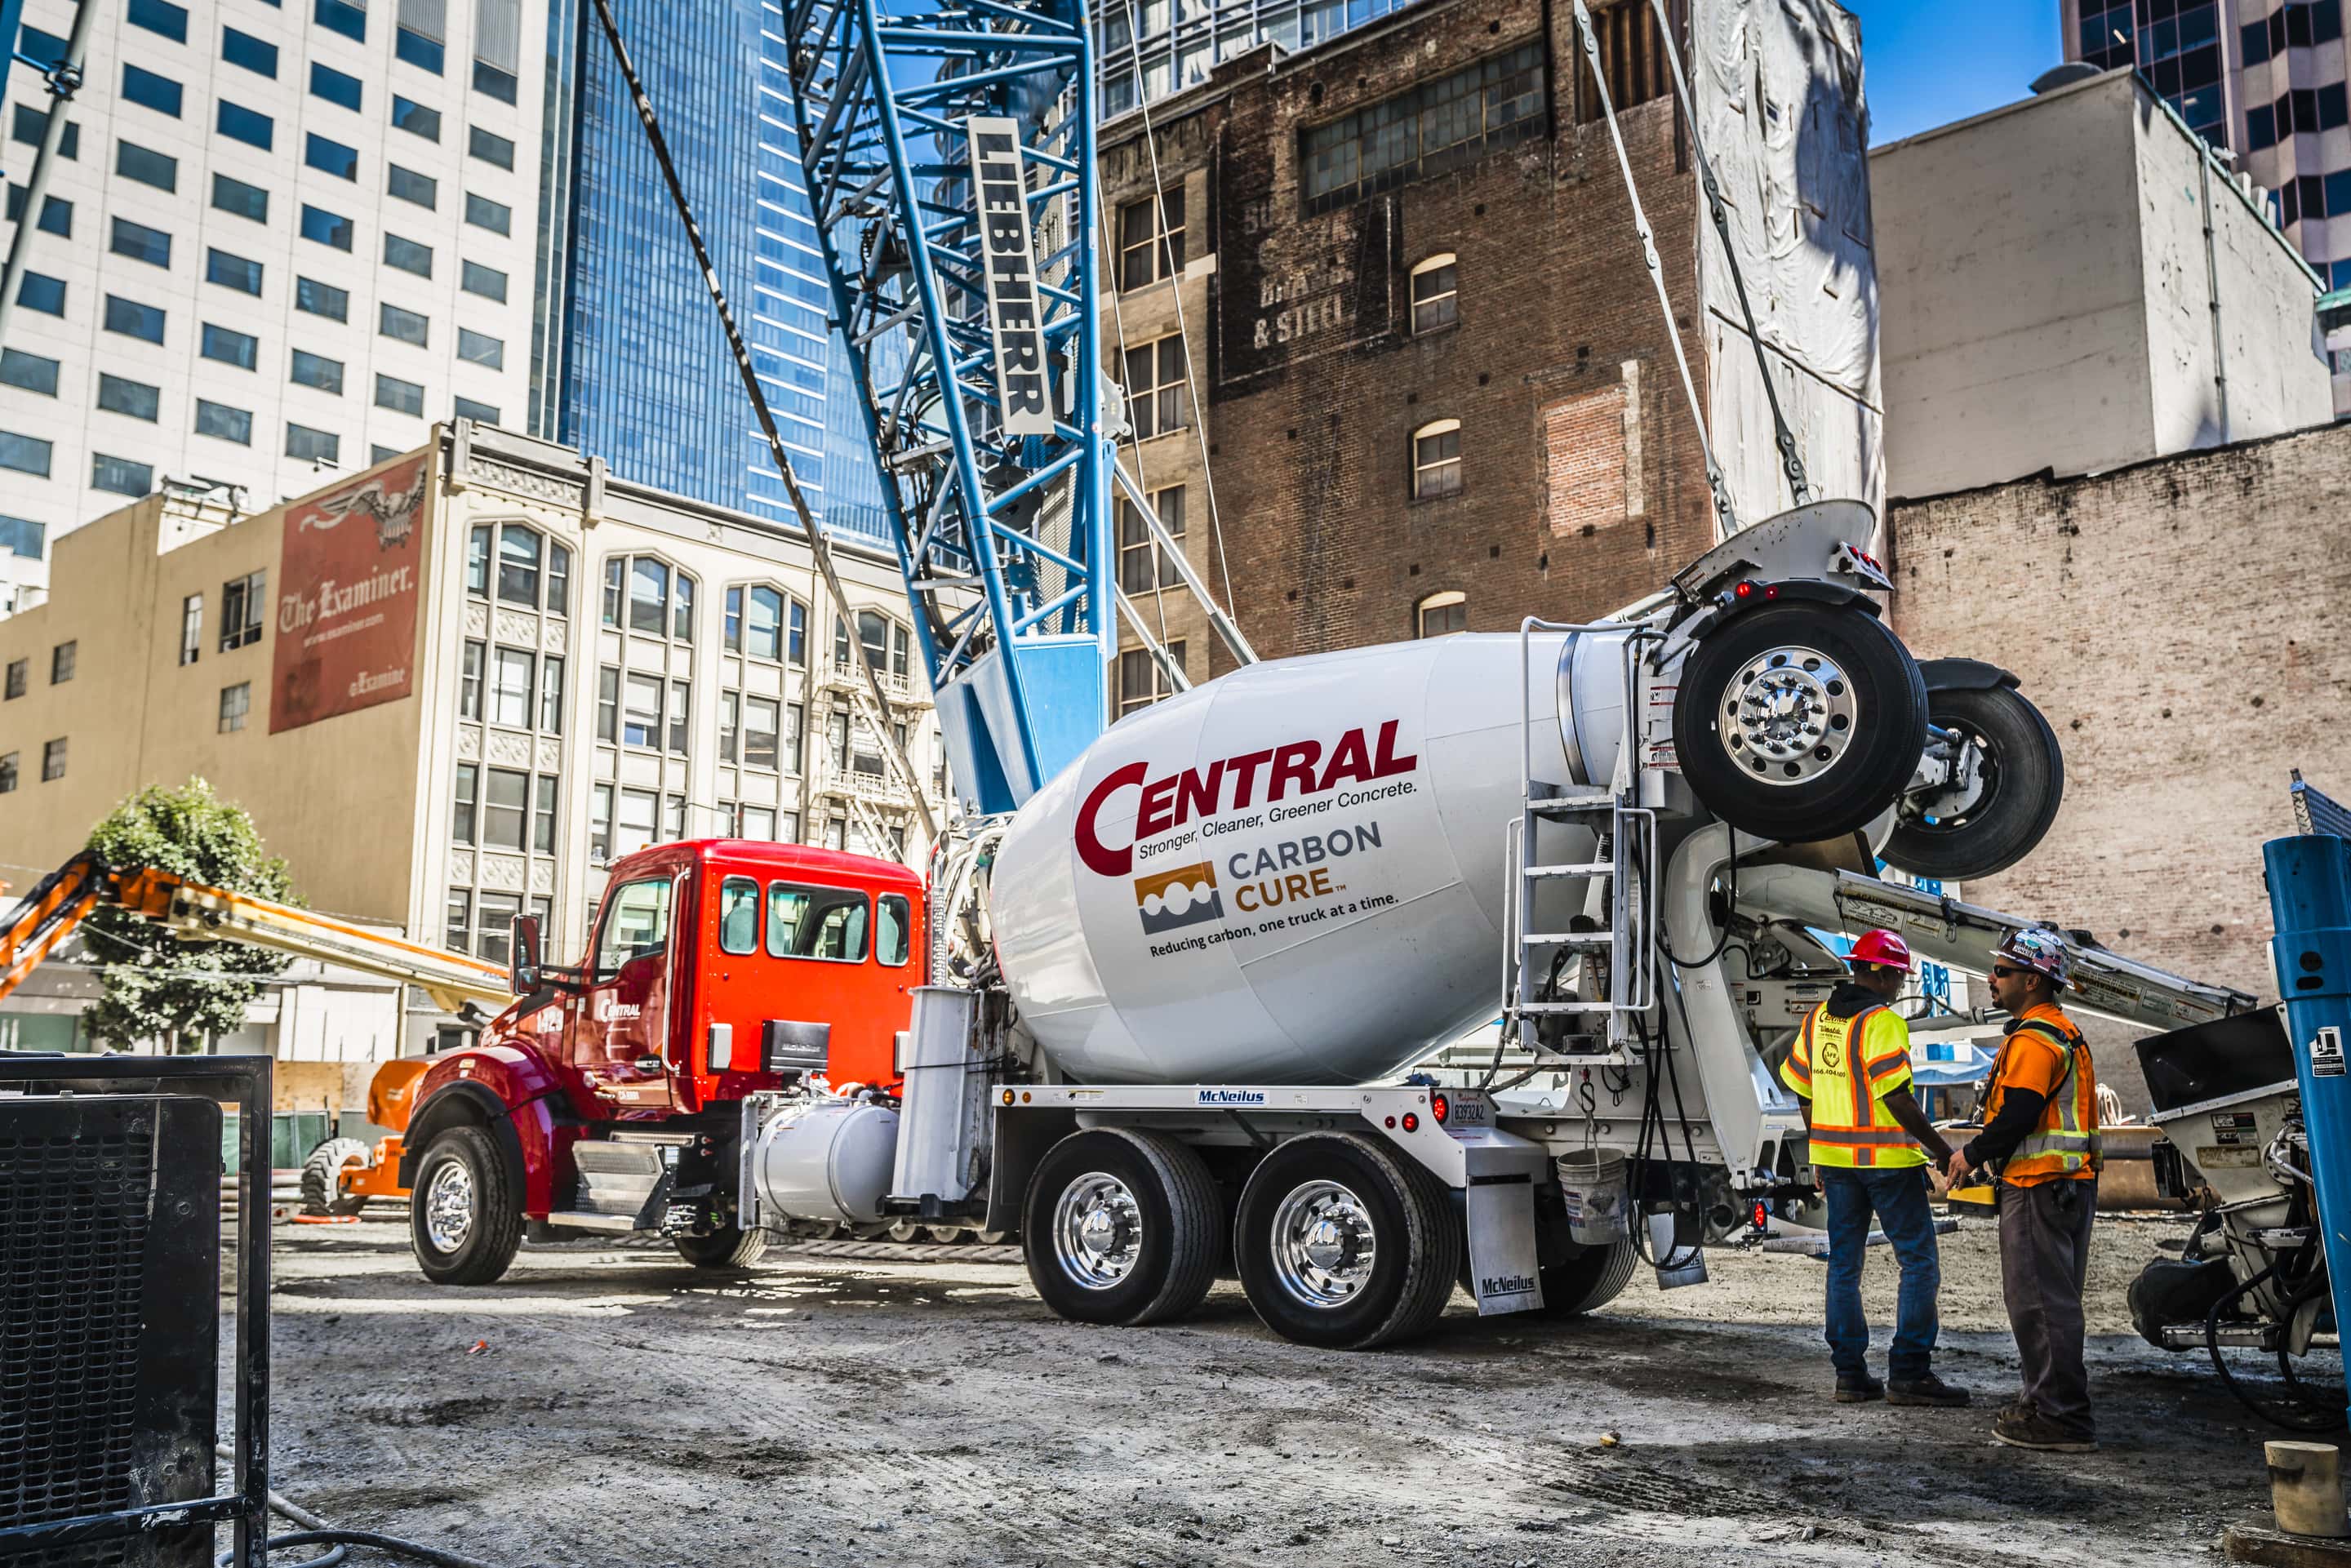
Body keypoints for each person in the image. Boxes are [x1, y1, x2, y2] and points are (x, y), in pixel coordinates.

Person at [1780, 928, 1968, 1408]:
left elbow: (1803, 1090)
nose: (1900, 987)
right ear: (1881, 975)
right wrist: (1943, 1151)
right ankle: (1909, 1372)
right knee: (1918, 1261)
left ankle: (1849, 1375)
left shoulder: (1818, 1019)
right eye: (1899, 978)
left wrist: (1820, 1149)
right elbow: (1897, 1098)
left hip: (1837, 1164)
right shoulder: (1882, 1022)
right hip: (1887, 1163)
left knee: (1844, 1264)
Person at [1944, 927, 2102, 1453]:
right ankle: (2042, 1402)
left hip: (2039, 1186)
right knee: (2051, 1300)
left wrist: (1971, 1154)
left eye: (2002, 971)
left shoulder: (2035, 1040)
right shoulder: (2061, 1032)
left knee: (2040, 1304)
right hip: (2066, 1184)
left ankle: (2062, 1418)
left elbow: (2020, 1113)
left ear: (2032, 981)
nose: (1992, 978)